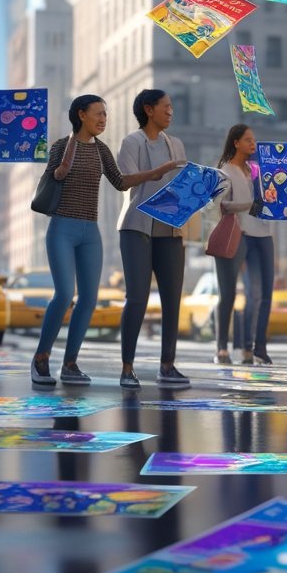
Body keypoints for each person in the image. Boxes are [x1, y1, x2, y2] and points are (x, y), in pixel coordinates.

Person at [31, 95, 178, 386]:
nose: (103, 119)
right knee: (64, 294)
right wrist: (63, 165)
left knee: (89, 299)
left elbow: (120, 182)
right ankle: (41, 358)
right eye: (98, 114)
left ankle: (70, 364)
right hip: (62, 228)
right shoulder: (62, 145)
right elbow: (53, 177)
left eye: (105, 115)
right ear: (81, 115)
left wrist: (155, 173)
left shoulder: (102, 150)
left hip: (90, 232)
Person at [116, 89, 191, 389]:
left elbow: (183, 186)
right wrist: (158, 172)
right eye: (166, 107)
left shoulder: (177, 145)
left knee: (172, 299)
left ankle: (168, 366)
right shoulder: (131, 142)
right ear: (149, 110)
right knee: (137, 298)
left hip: (171, 229)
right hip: (137, 227)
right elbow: (124, 181)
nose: (171, 111)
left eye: (172, 106)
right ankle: (127, 368)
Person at [212, 124, 275, 366]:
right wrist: (248, 204)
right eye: (248, 140)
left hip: (262, 233)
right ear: (236, 142)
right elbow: (220, 205)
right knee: (228, 293)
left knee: (260, 294)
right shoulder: (225, 171)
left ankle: (254, 348)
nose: (253, 144)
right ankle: (221, 348)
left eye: (254, 140)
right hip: (238, 234)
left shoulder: (257, 170)